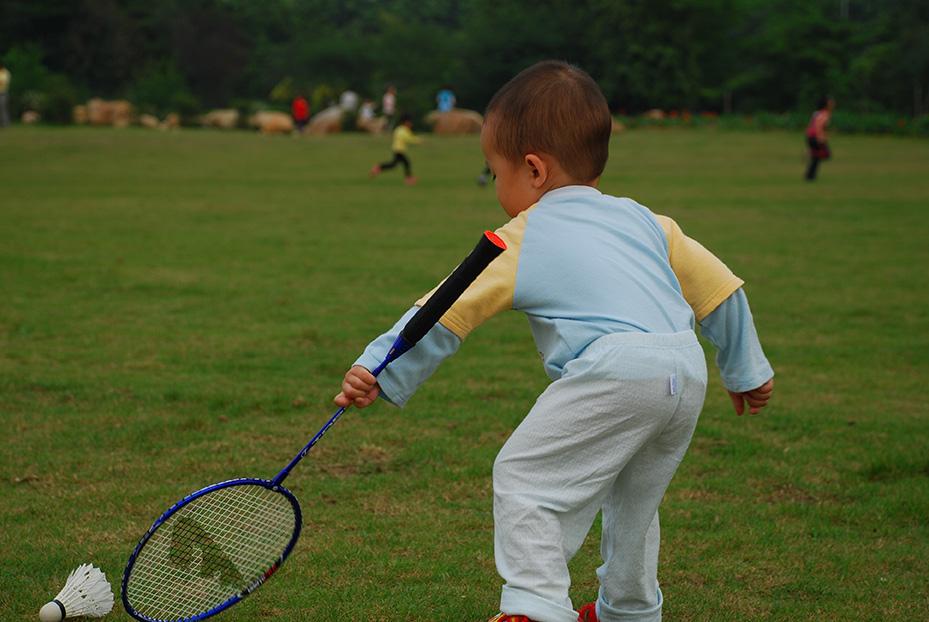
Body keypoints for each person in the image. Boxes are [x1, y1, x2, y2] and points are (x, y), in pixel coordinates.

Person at [337, 61, 774, 622]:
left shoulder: (522, 234)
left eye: (495, 173)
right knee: (634, 504)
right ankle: (630, 611)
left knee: (524, 478)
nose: (496, 186)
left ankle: (536, 608)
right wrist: (746, 370)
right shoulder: (647, 221)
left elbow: (443, 310)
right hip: (683, 371)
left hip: (614, 370)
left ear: (534, 170)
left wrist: (378, 366)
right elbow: (721, 292)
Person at [369, 113, 422, 185]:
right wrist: (419, 140)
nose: (411, 124)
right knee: (406, 163)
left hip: (397, 149)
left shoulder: (399, 129)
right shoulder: (404, 130)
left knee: (394, 164)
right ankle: (408, 179)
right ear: (406, 122)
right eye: (410, 122)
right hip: (399, 150)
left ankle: (378, 168)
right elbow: (409, 138)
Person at [805, 96, 834, 181]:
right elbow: (818, 126)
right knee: (825, 154)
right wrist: (821, 137)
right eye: (830, 103)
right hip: (815, 137)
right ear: (825, 105)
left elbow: (814, 124)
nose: (832, 104)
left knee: (816, 157)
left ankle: (810, 176)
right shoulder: (824, 114)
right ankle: (810, 176)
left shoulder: (817, 113)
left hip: (810, 136)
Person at [0, 62, 11, 128]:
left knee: (3, 108)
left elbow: (3, 82)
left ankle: (5, 123)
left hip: (3, 93)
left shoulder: (5, 72)